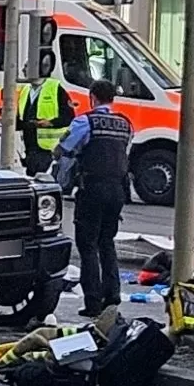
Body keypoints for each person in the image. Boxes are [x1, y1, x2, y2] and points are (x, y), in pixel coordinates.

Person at [53, 79, 133, 318]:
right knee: (106, 242)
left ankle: (93, 301)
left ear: (93, 97)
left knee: (87, 245)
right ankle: (113, 295)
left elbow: (64, 148)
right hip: (117, 190)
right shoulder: (125, 124)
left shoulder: (85, 121)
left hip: (92, 187)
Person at [16, 68, 74, 176]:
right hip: (29, 149)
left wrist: (51, 123)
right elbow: (22, 118)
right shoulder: (25, 90)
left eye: (27, 66)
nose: (23, 70)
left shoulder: (55, 88)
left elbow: (68, 117)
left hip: (48, 150)